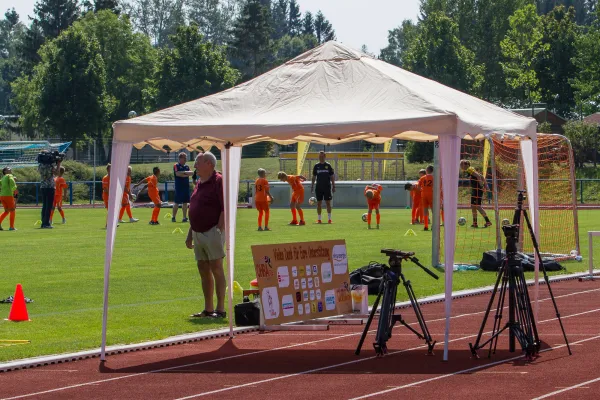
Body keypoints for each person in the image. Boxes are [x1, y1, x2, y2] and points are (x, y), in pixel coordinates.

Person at [186, 152, 227, 318]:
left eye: (198, 162)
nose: (195, 166)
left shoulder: (219, 181)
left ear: (209, 164)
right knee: (202, 268)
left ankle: (221, 309)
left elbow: (225, 206)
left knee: (216, 267)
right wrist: (190, 233)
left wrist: (219, 228)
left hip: (212, 230)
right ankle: (208, 308)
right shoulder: (199, 182)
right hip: (197, 231)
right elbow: (195, 208)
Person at [460, 159, 492, 228]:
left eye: (461, 165)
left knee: (477, 206)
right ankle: (475, 223)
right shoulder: (470, 170)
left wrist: (482, 186)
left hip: (477, 190)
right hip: (475, 190)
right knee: (473, 206)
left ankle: (488, 221)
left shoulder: (469, 169)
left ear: (465, 165)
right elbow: (482, 176)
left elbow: (478, 176)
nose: (460, 167)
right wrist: (486, 186)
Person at [38, 151, 61, 229]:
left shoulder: (40, 165)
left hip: (43, 186)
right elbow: (57, 173)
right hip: (50, 186)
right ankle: (46, 223)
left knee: (44, 205)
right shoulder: (50, 166)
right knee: (49, 206)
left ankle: (43, 222)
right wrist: (58, 164)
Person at [311, 151, 335, 224]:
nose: (320, 158)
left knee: (328, 203)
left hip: (327, 187)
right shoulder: (316, 166)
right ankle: (319, 219)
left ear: (325, 157)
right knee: (319, 203)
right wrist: (312, 185)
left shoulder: (328, 165)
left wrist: (334, 186)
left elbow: (332, 176)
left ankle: (329, 219)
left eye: (322, 156)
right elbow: (314, 177)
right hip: (319, 187)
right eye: (319, 156)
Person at [173, 152, 193, 223]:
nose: (186, 159)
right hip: (179, 187)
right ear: (180, 158)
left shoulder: (187, 166)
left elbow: (191, 173)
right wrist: (185, 173)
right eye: (184, 158)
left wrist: (183, 173)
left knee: (185, 203)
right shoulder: (176, 165)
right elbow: (177, 174)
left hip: (186, 187)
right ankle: (173, 217)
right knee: (177, 202)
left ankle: (184, 217)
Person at [418, 165, 434, 231]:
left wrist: (423, 190)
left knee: (425, 210)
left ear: (427, 170)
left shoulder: (422, 178)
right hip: (432, 195)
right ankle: (433, 225)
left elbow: (418, 187)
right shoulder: (435, 177)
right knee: (434, 211)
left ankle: (426, 226)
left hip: (424, 195)